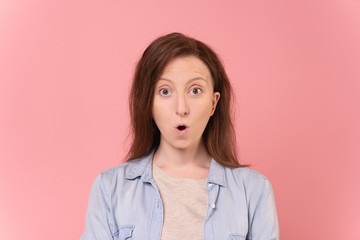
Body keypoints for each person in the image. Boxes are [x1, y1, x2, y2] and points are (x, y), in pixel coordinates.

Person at [80, 32, 279, 240]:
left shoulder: (254, 191)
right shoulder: (110, 188)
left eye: (195, 91)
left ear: (213, 103)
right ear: (148, 103)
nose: (181, 108)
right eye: (165, 91)